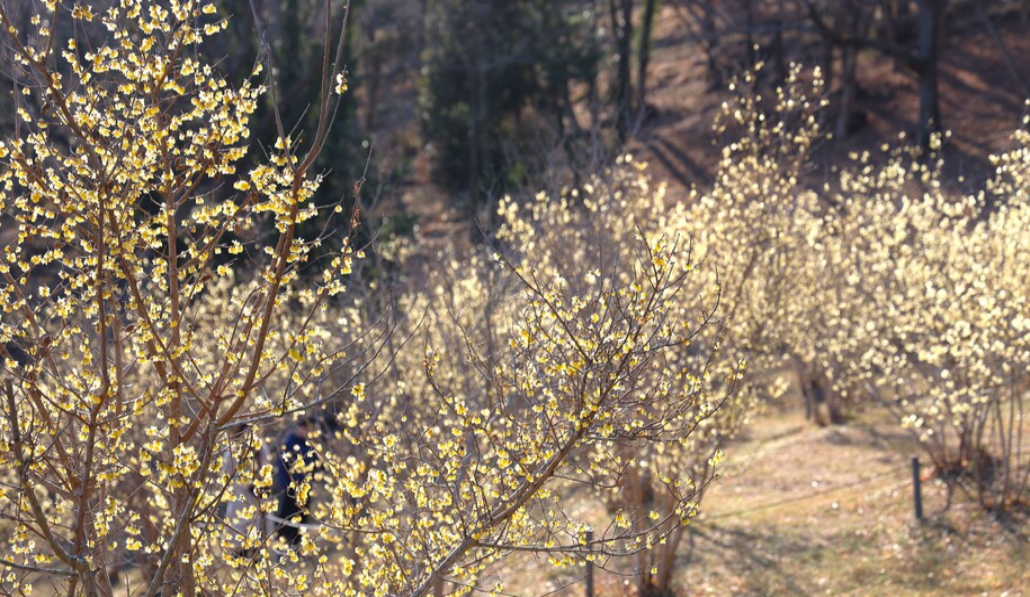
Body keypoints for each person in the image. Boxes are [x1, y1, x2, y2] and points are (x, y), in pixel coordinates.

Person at [222, 424, 274, 558]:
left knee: (260, 542)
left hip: (259, 501)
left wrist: (262, 487)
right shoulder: (233, 451)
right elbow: (228, 475)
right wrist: (247, 484)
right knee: (239, 541)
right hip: (241, 501)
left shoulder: (261, 448)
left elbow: (267, 471)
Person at [275, 418, 319, 545]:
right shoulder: (289, 443)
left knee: (302, 519)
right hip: (291, 490)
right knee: (287, 518)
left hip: (305, 489)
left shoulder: (309, 445)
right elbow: (283, 467)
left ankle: (297, 545)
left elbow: (315, 465)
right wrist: (287, 486)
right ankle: (282, 545)